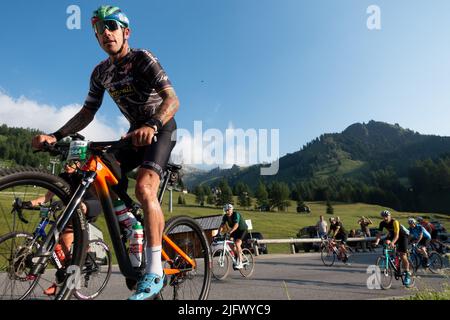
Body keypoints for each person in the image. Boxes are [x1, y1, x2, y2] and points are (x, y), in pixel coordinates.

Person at [31, 5, 180, 300]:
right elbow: (88, 110)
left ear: (126, 32)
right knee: (94, 173)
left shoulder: (143, 59)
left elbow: (172, 99)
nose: (105, 33)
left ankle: (153, 269)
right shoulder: (100, 72)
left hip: (160, 128)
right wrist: (56, 135)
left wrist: (152, 123)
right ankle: (134, 226)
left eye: (111, 26)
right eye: (99, 30)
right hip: (132, 136)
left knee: (144, 188)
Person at [24, 160, 102, 295]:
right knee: (61, 249)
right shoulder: (62, 177)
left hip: (88, 206)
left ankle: (69, 282)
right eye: (66, 162)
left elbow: (95, 197)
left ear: (79, 164)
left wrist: (82, 206)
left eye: (72, 162)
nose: (67, 165)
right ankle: (61, 283)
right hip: (70, 212)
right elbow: (47, 197)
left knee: (66, 240)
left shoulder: (84, 176)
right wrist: (27, 203)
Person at [374, 210, 412, 287]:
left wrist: (393, 242)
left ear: (390, 216)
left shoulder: (395, 222)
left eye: (386, 216)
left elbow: (397, 235)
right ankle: (394, 260)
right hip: (393, 234)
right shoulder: (382, 223)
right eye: (383, 217)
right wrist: (377, 242)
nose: (385, 218)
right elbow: (379, 234)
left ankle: (407, 274)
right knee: (386, 242)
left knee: (402, 254)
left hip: (403, 236)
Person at [218, 204, 248, 269]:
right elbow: (222, 226)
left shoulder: (236, 214)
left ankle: (240, 263)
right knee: (230, 243)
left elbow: (236, 225)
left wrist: (229, 232)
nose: (227, 212)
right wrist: (218, 233)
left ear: (231, 210)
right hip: (234, 231)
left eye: (228, 210)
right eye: (226, 211)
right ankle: (238, 255)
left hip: (242, 230)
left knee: (237, 244)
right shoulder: (225, 216)